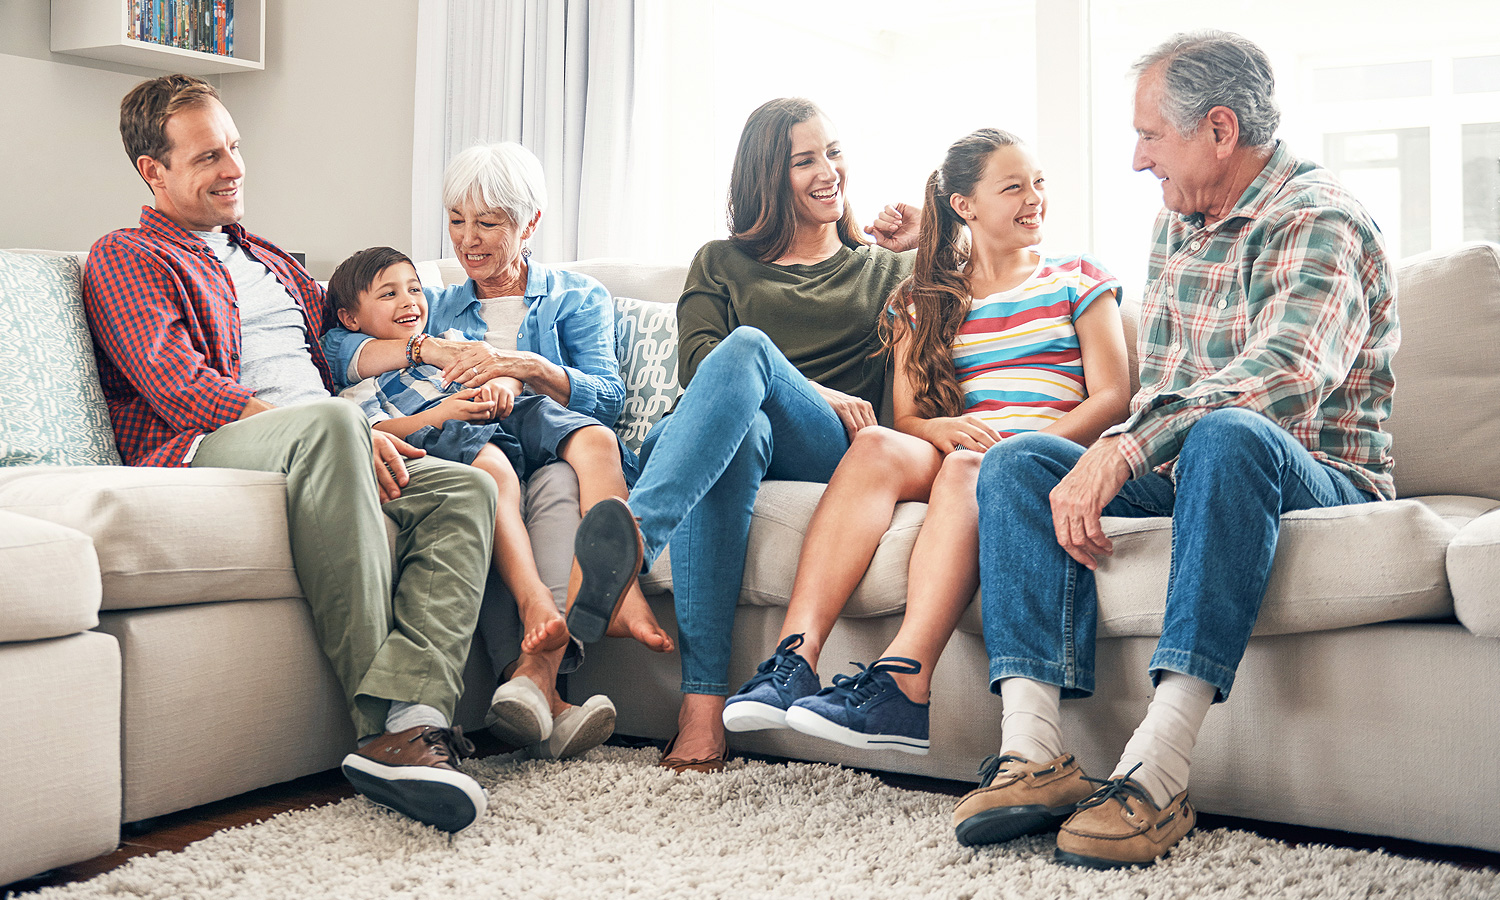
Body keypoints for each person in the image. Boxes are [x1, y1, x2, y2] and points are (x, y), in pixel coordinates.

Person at [951, 31, 1399, 869]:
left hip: (1317, 473)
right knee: (1016, 462)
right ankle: (1034, 750)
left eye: (1151, 135)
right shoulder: (1180, 222)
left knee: (1229, 433)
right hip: (1191, 466)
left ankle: (1157, 771)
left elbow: (1286, 375)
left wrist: (1124, 451)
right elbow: (1163, 392)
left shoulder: (1320, 219)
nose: (1134, 159)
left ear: (1219, 130)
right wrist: (1113, 452)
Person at [82, 74, 497, 833]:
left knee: (467, 491)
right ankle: (384, 730)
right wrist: (328, 431)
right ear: (154, 170)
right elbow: (177, 386)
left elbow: (338, 349)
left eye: (235, 147)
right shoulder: (127, 256)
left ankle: (419, 706)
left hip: (319, 440)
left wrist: (418, 351)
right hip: (209, 445)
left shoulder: (269, 258)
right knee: (338, 425)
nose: (234, 167)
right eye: (209, 155)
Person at [720, 129, 1131, 757]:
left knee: (970, 467)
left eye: (1039, 183)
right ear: (964, 205)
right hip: (959, 446)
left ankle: (905, 686)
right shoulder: (924, 297)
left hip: (1045, 457)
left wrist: (1022, 447)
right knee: (877, 445)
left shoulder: (1077, 279)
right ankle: (792, 661)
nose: (1034, 198)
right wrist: (936, 428)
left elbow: (1112, 398)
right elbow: (910, 417)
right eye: (1013, 186)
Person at [568, 97, 921, 773]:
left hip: (827, 446)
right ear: (766, 175)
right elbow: (701, 365)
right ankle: (702, 713)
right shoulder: (722, 263)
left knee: (751, 350)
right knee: (740, 428)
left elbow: (995, 276)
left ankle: (635, 538)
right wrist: (809, 384)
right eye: (804, 159)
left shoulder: (886, 269)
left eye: (834, 152)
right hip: (739, 434)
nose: (829, 172)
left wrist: (930, 232)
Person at [319, 143, 672, 760]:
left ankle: (546, 665)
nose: (468, 241)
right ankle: (547, 692)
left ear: (529, 224)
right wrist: (426, 353)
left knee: (570, 471)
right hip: (476, 444)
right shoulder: (439, 303)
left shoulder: (576, 296)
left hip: (550, 441)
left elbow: (607, 398)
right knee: (495, 486)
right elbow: (343, 346)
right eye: (457, 221)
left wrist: (529, 367)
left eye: (488, 223)